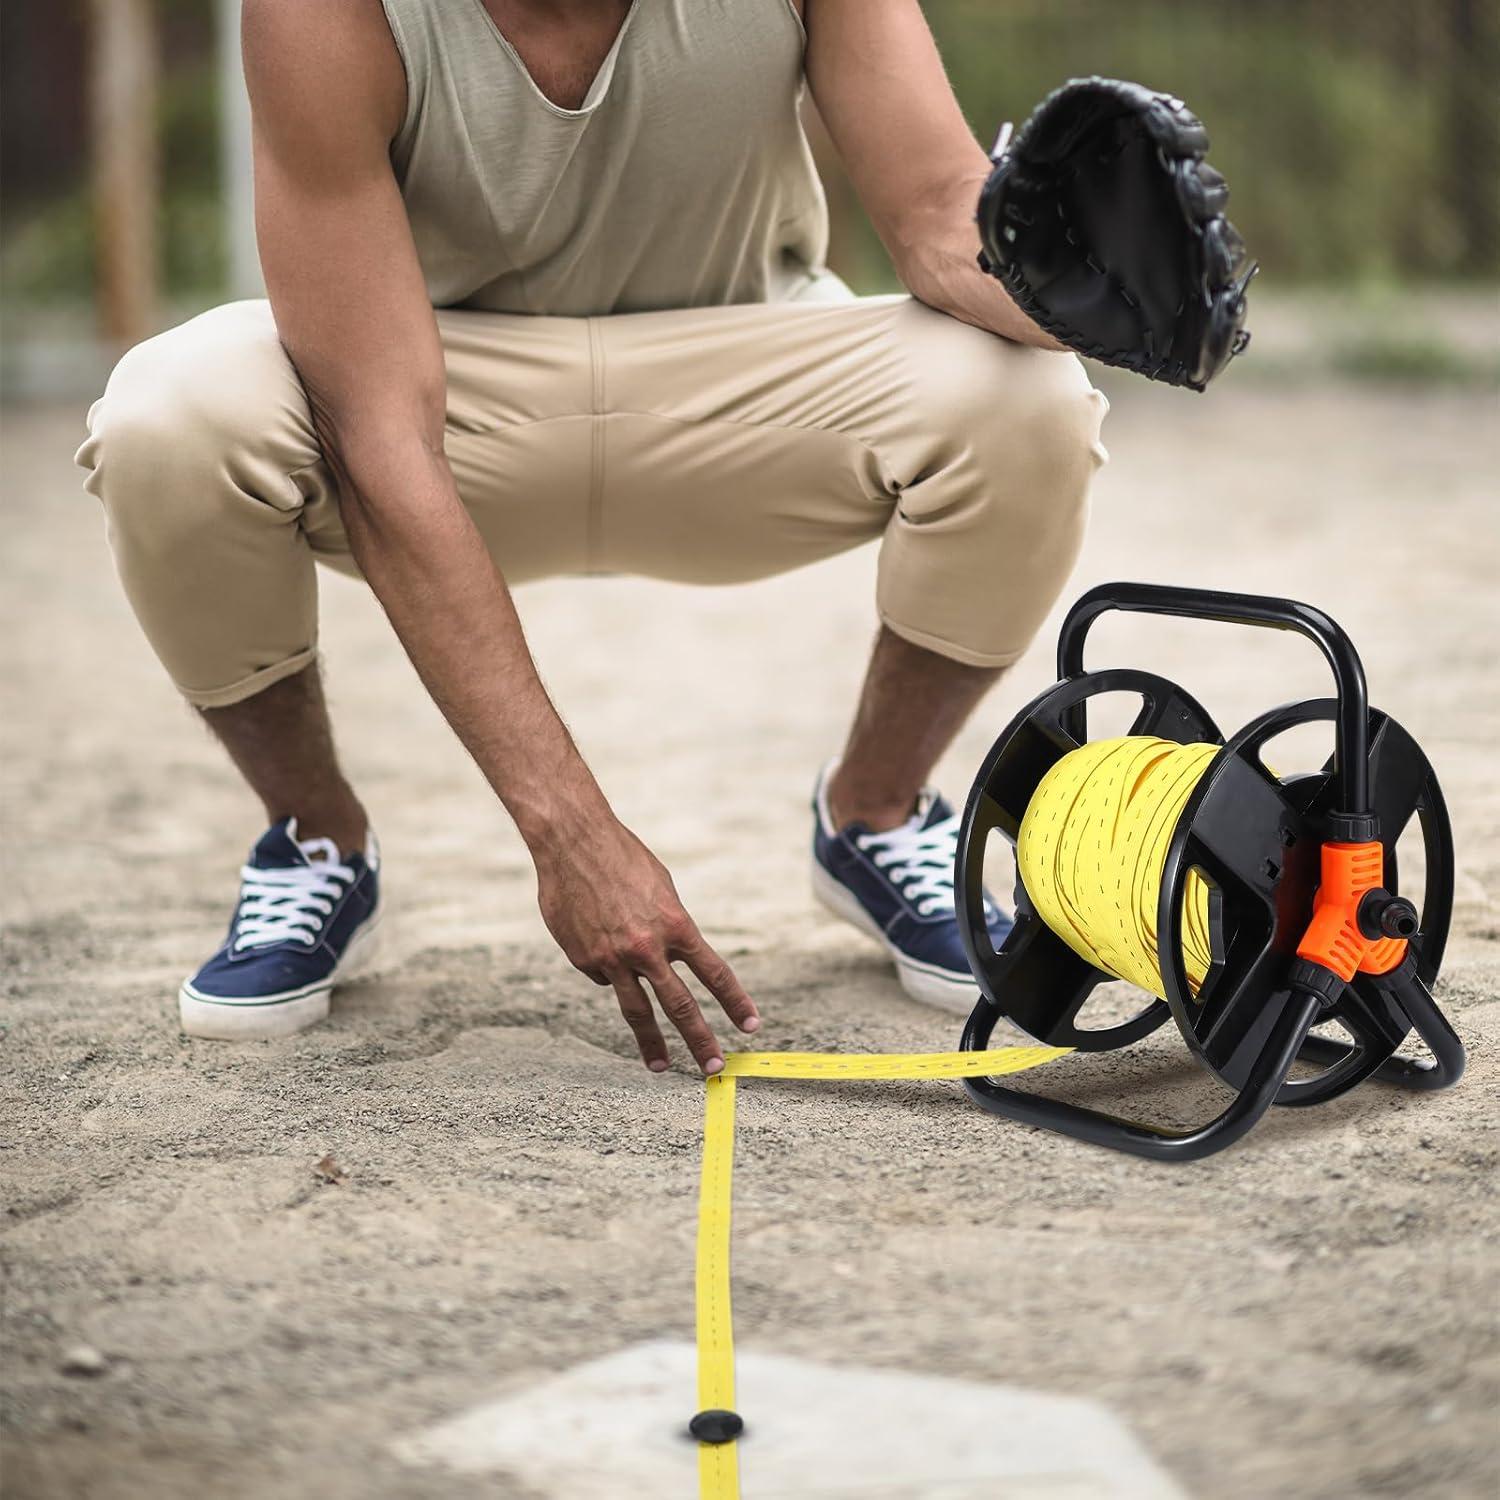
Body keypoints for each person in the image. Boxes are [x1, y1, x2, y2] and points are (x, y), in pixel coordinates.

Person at [76, 0, 1108, 1072]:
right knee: (171, 416)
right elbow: (378, 437)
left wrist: (1105, 296)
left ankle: (877, 814)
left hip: (742, 378)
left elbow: (939, 209)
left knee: (1028, 396)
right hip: (441, 399)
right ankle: (315, 836)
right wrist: (571, 833)